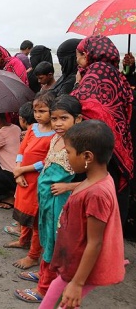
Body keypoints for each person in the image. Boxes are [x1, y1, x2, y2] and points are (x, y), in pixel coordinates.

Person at [39, 120, 125, 309]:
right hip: (73, 263)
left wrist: (77, 283)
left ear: (87, 156)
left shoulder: (97, 194)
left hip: (79, 269)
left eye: (68, 152)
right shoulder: (97, 179)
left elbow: (95, 242)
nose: (66, 157)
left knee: (53, 304)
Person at [13, 95, 82, 304]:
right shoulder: (56, 138)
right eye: (54, 119)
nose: (58, 123)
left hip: (59, 202)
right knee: (44, 237)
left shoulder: (80, 144)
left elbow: (99, 179)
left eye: (64, 118)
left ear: (77, 119)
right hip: (45, 198)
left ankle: (43, 289)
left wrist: (68, 185)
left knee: (54, 242)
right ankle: (44, 275)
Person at [71, 35, 134, 229]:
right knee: (114, 193)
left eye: (78, 56)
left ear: (87, 55)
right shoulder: (119, 77)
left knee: (92, 201)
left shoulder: (90, 78)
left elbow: (74, 108)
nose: (76, 60)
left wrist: (76, 84)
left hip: (92, 151)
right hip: (119, 148)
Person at [5, 92, 55, 271]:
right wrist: (18, 171)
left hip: (37, 180)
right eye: (35, 111)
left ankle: (33, 255)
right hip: (23, 177)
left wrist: (23, 169)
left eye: (42, 111)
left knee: (35, 218)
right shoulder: (33, 129)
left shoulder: (56, 135)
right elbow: (22, 150)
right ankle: (23, 240)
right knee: (22, 209)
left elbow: (47, 161)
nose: (38, 115)